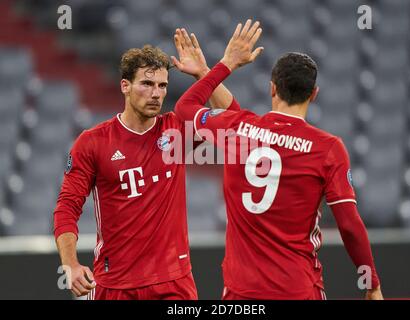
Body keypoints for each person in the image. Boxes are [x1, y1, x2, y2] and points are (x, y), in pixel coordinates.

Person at [175, 19, 384, 300]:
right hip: (298, 289)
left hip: (242, 294)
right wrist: (370, 282)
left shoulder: (239, 130)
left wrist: (220, 68)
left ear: (272, 88)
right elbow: (349, 224)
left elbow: (186, 107)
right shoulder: (328, 148)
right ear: (314, 94)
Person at [53, 28, 240, 300]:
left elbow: (233, 123)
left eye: (162, 86)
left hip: (173, 282)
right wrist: (69, 263)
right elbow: (67, 206)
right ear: (125, 86)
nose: (156, 94)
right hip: (115, 283)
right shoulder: (93, 142)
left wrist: (204, 73)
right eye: (147, 84)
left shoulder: (176, 131)